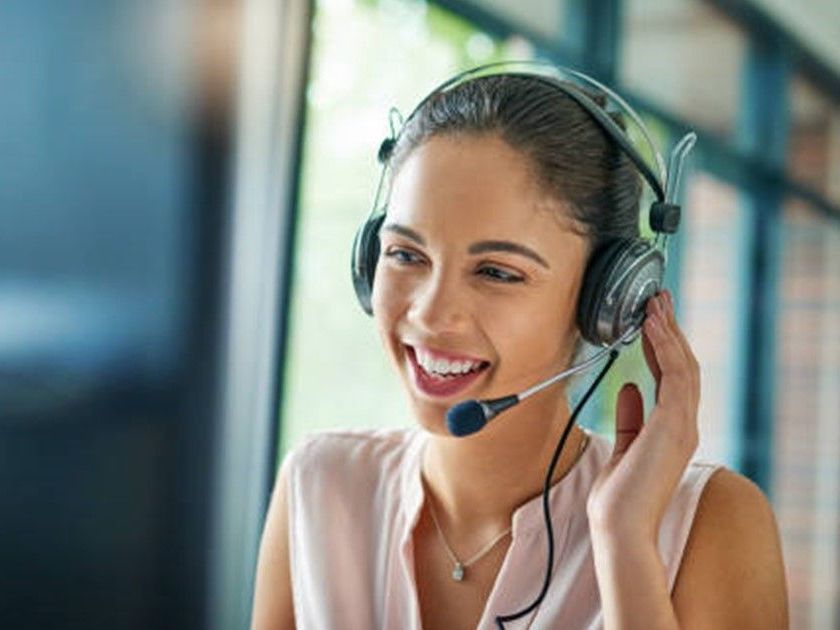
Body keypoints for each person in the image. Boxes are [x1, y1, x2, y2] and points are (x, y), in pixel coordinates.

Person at [251, 67, 789, 629]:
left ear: (608, 300)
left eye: (496, 272)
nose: (431, 314)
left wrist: (624, 541)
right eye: (406, 255)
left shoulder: (712, 522)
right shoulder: (320, 486)